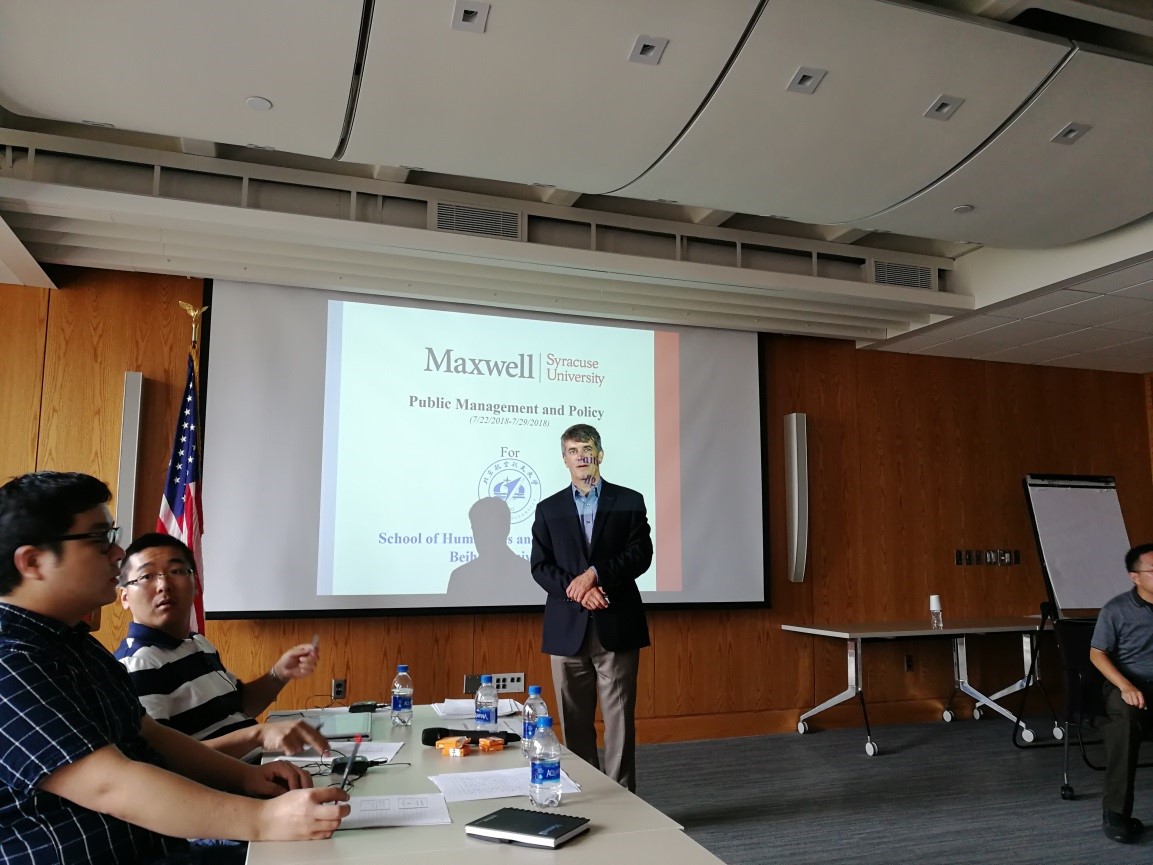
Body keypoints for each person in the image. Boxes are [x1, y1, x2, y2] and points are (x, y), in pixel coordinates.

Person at [0, 471, 348, 864]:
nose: (117, 553)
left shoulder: (75, 644)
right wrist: (264, 819)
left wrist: (245, 776)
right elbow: (110, 784)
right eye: (99, 539)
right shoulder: (11, 660)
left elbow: (151, 734)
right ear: (33, 562)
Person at [115, 532, 328, 759]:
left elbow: (241, 706)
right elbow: (162, 759)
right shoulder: (138, 663)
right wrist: (258, 735)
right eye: (146, 576)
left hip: (262, 766)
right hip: (232, 779)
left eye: (176, 571)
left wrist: (279, 673)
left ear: (196, 586)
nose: (163, 585)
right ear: (125, 597)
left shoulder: (198, 643)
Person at [530, 424, 652, 791]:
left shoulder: (629, 500)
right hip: (566, 629)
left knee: (620, 721)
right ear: (564, 459)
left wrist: (595, 575)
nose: (581, 456)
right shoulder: (548, 509)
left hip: (616, 623)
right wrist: (580, 591)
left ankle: (623, 797)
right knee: (574, 722)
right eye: (573, 450)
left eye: (587, 449)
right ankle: (585, 791)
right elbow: (541, 566)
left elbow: (640, 555)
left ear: (600, 454)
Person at [1090, 541, 1153, 844]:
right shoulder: (1116, 610)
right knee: (1125, 722)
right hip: (1127, 684)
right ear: (1134, 576)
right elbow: (1097, 653)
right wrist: (1126, 685)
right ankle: (1115, 813)